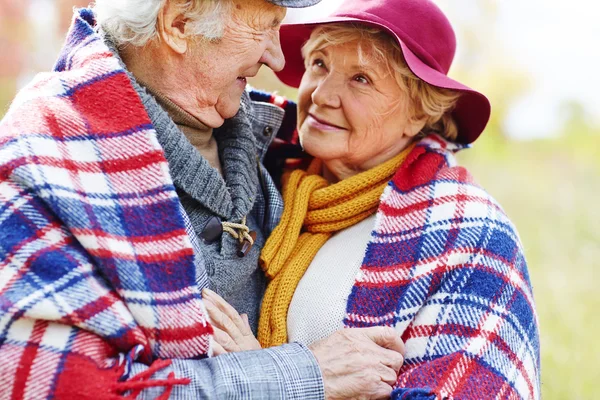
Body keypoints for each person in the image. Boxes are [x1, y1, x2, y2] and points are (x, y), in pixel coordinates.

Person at [0, 0, 407, 399]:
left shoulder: (275, 142)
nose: (278, 58)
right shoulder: (47, 155)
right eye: (264, 25)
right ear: (178, 24)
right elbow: (62, 387)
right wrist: (304, 375)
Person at [204, 0, 541, 399]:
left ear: (420, 111)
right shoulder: (262, 176)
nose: (322, 95)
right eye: (320, 64)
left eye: (361, 79)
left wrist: (267, 378)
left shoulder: (468, 233)